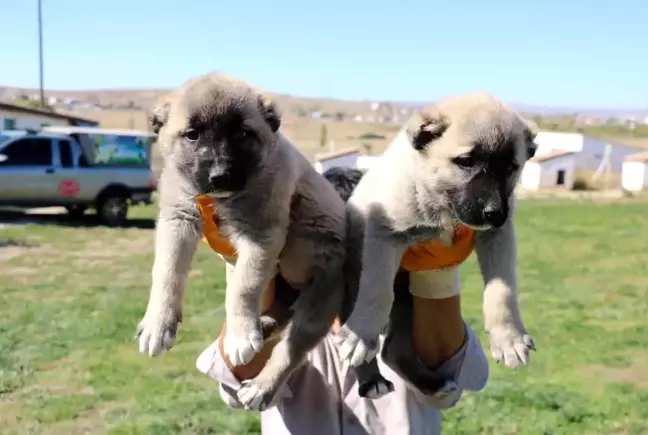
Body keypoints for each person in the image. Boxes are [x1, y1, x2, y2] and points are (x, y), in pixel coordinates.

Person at [196, 168, 490, 435]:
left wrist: (437, 273)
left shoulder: (415, 316)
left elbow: (443, 388)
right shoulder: (281, 306)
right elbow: (241, 377)